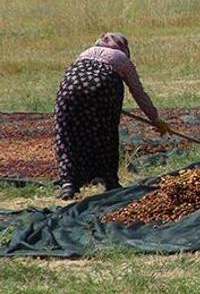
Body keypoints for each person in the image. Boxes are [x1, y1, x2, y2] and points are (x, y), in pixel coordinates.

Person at [54, 33, 170, 200]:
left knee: (68, 133)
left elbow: (79, 79)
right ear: (123, 47)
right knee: (104, 133)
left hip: (69, 89)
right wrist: (155, 119)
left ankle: (69, 183)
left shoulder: (86, 52)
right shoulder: (122, 58)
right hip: (104, 88)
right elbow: (138, 92)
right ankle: (109, 182)